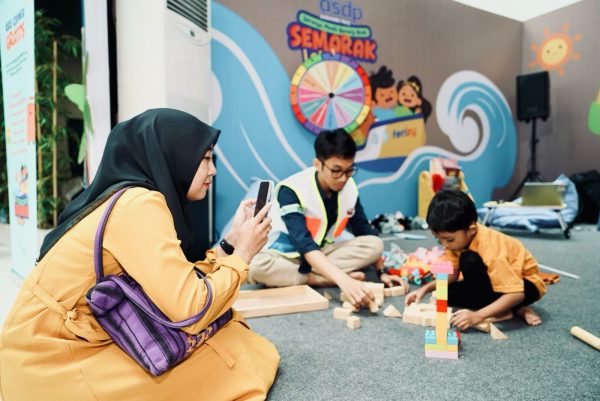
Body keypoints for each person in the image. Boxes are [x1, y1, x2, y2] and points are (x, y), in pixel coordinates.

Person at [0, 109, 280, 401]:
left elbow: (174, 284)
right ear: (174, 155)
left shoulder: (127, 198)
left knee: (229, 332)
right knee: (230, 354)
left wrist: (231, 244)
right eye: (206, 158)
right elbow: (192, 310)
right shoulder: (138, 204)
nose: (213, 170)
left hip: (37, 349)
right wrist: (243, 255)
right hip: (49, 361)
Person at [248, 128, 405, 308]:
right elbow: (304, 244)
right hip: (288, 256)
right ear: (318, 164)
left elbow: (364, 230)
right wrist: (344, 281)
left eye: (349, 170)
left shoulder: (349, 187)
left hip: (321, 254)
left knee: (375, 244)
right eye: (336, 171)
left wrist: (382, 272)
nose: (343, 178)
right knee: (256, 266)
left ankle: (309, 276)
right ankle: (320, 280)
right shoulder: (292, 190)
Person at [405, 190, 546, 329]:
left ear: (471, 230)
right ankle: (510, 308)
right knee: (447, 293)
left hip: (525, 286)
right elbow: (452, 276)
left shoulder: (491, 248)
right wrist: (424, 289)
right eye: (438, 239)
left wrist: (478, 316)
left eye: (449, 240)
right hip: (491, 283)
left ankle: (514, 308)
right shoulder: (455, 242)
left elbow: (517, 293)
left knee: (468, 260)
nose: (445, 245)